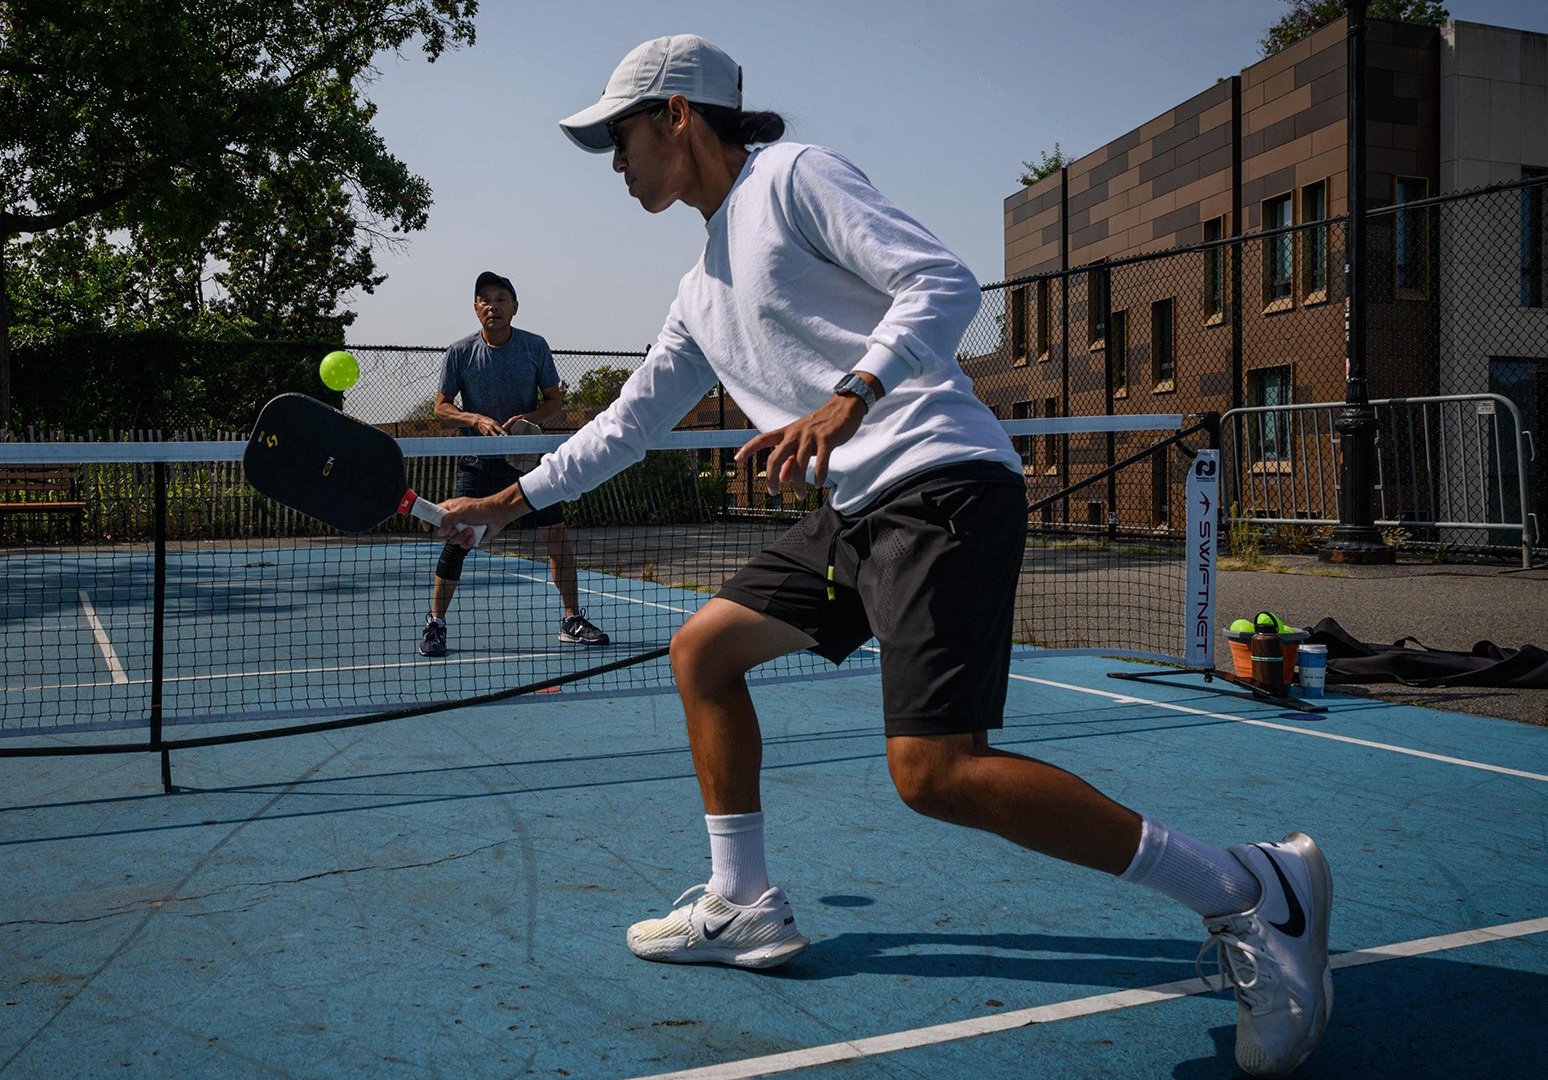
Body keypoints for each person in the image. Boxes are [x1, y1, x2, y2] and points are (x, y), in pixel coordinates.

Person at [437, 36, 1332, 1078]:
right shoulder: (697, 291)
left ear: (679, 116)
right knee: (704, 654)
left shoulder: (795, 177)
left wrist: (848, 395)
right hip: (857, 509)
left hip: (938, 482)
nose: (614, 160)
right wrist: (513, 499)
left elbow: (942, 283)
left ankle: (1253, 888)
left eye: (619, 135)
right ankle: (744, 903)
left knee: (936, 773)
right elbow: (629, 425)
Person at [421, 271, 609, 657]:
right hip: (477, 461)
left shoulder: (535, 347)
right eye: (485, 299)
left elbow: (555, 401)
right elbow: (441, 407)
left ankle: (571, 619)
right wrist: (475, 418)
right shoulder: (460, 352)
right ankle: (435, 625)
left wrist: (530, 419)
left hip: (528, 463)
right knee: (458, 542)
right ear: (476, 309)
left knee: (556, 536)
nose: (494, 305)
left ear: (515, 307)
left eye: (502, 298)